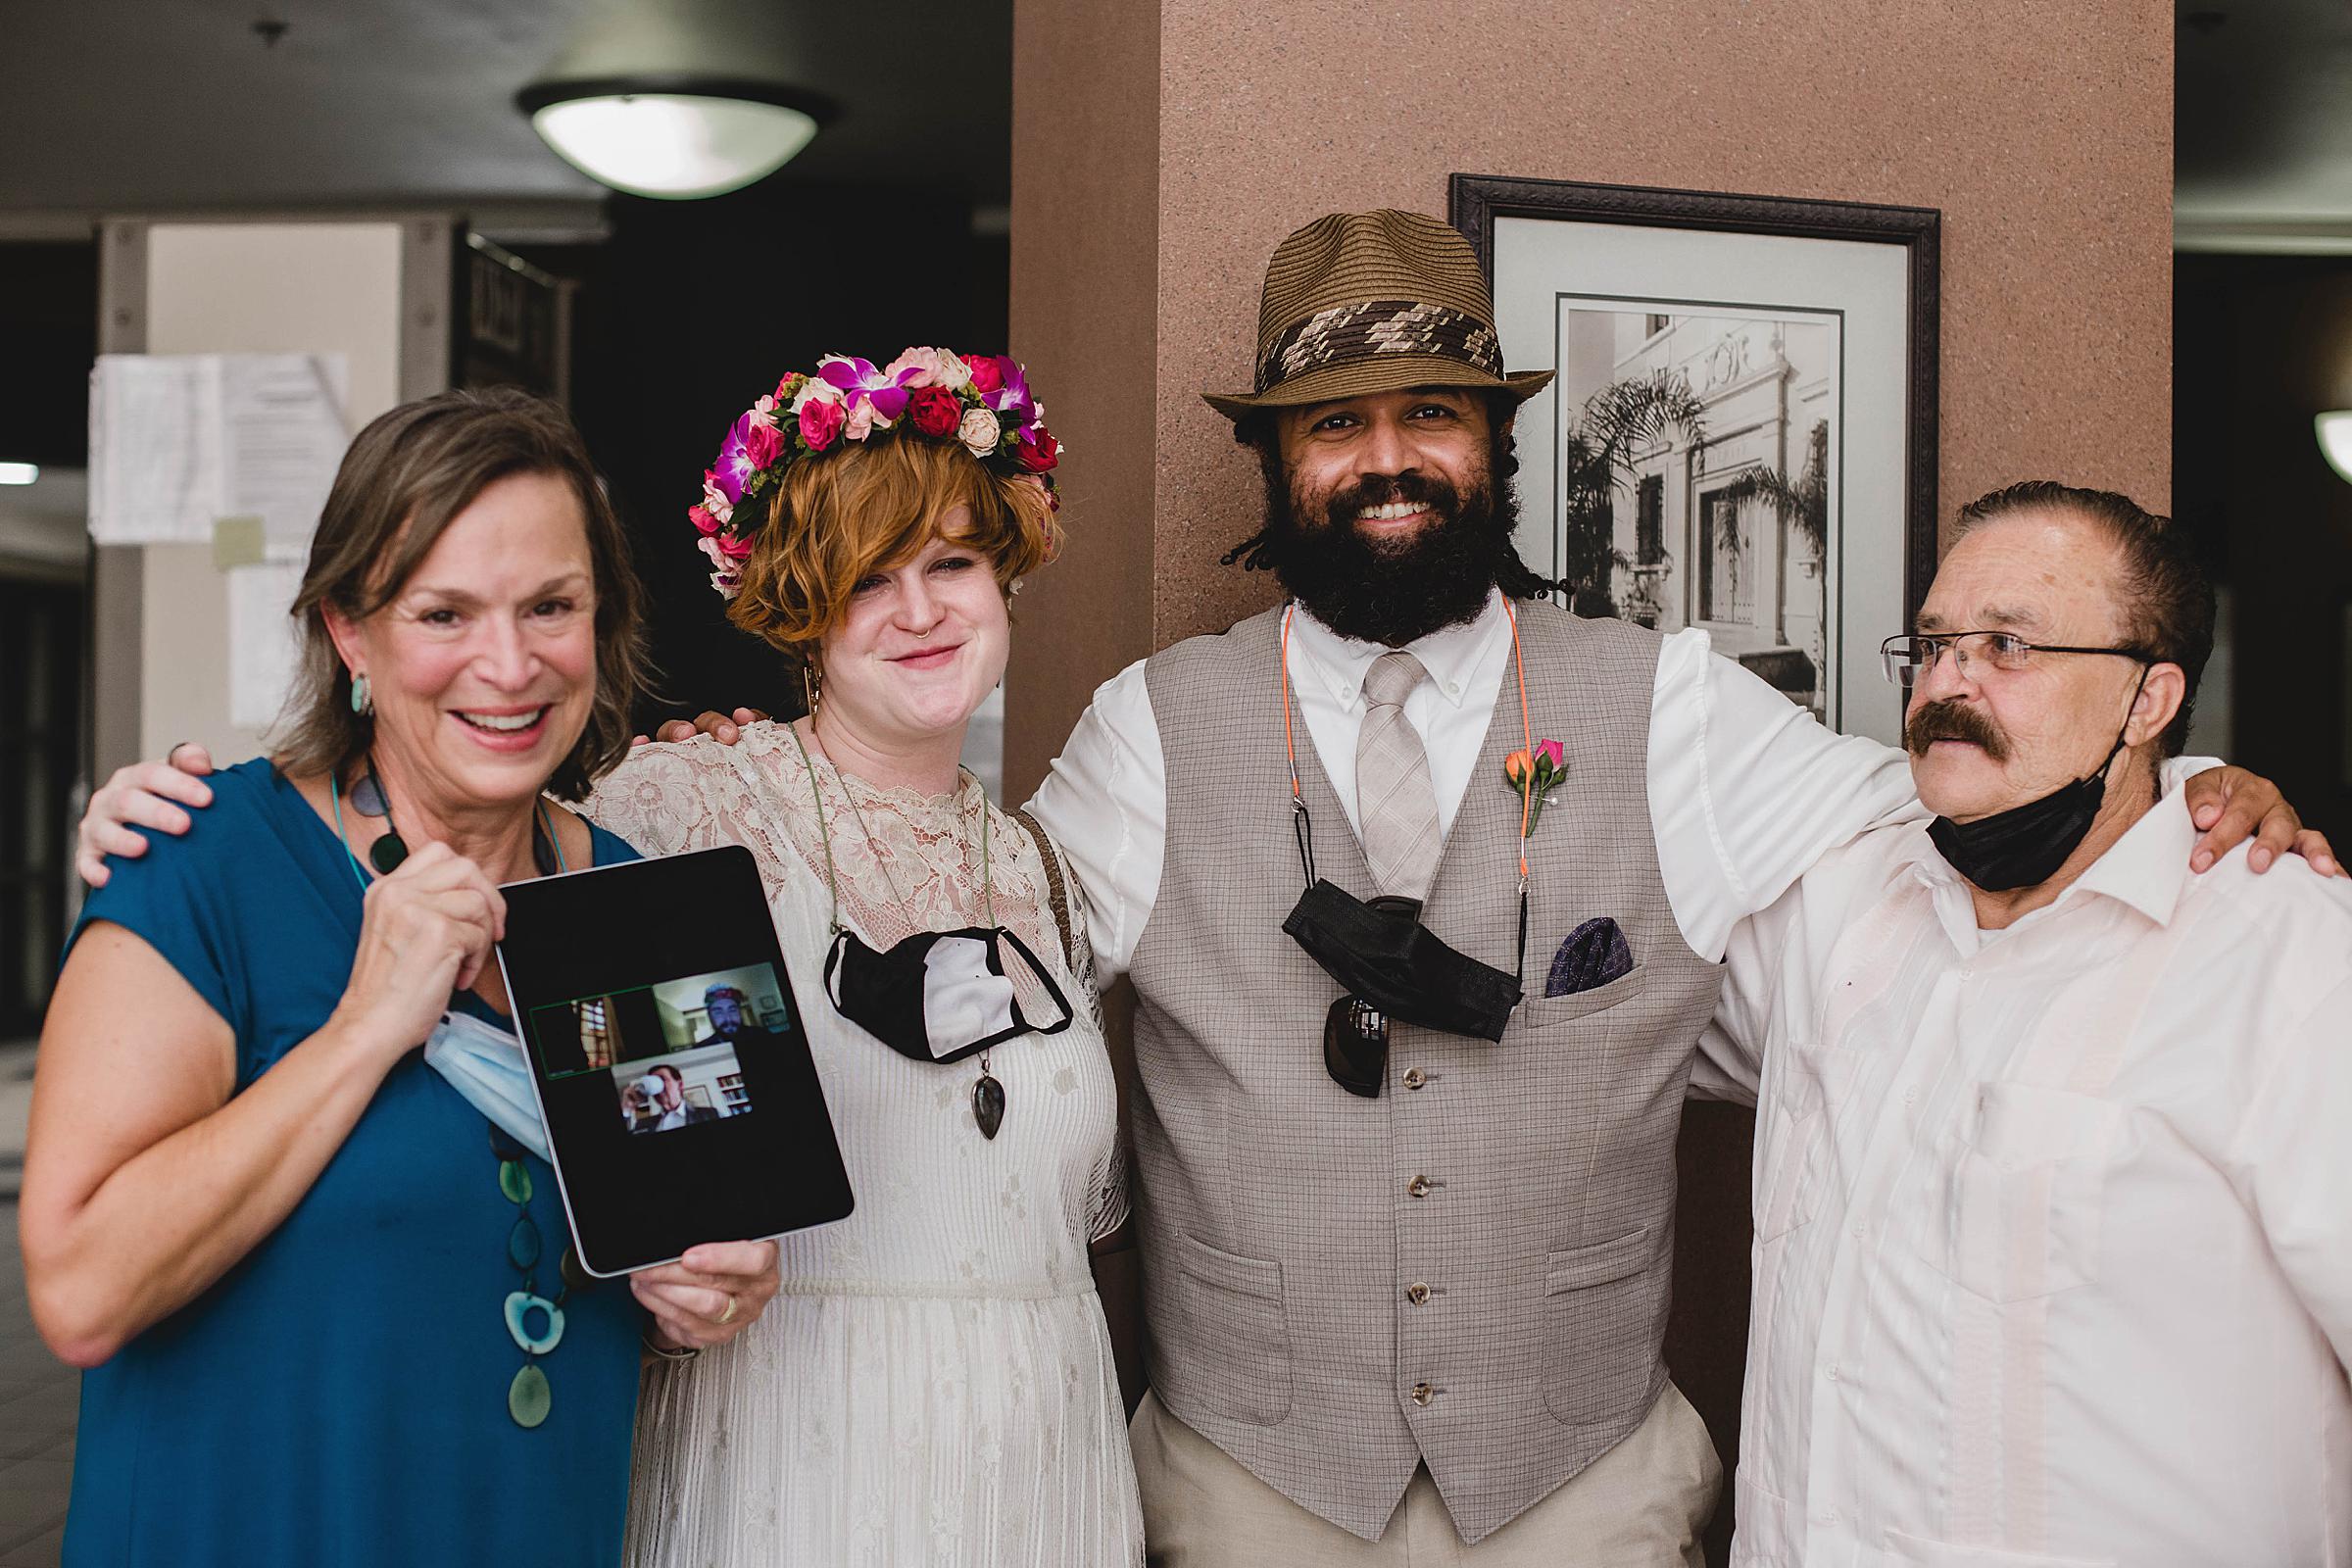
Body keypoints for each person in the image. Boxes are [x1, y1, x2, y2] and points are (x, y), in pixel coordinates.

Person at [637, 213, 2325, 1563]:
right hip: (1247, 1497)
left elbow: (1957, 802)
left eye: (1429, 414)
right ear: (1280, 461)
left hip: (1581, 1494)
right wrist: (769, 767)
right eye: (1337, 426)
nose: (1387, 458)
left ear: (1491, 444)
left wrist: (2182, 792)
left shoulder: (1669, 705)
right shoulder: (1152, 732)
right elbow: (976, 944)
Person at [25, 388, 779, 1568]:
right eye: (444, 612)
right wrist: (365, 1026)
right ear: (350, 632)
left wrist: (703, 1300)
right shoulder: (201, 867)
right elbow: (81, 1291)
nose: (510, 662)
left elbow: (675, 1254)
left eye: (551, 607)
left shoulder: (640, 907)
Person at [1696, 482, 2352, 1567]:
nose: (1951, 679)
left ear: (2149, 703)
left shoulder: (2287, 957)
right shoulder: (1842, 905)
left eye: (2009, 645)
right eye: (1938, 641)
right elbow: (1605, 1032)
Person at [642, 1063, 721, 1130]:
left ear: (680, 1085)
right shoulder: (642, 1124)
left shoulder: (711, 1115)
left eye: (662, 1079)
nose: (656, 1087)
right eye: (652, 1083)